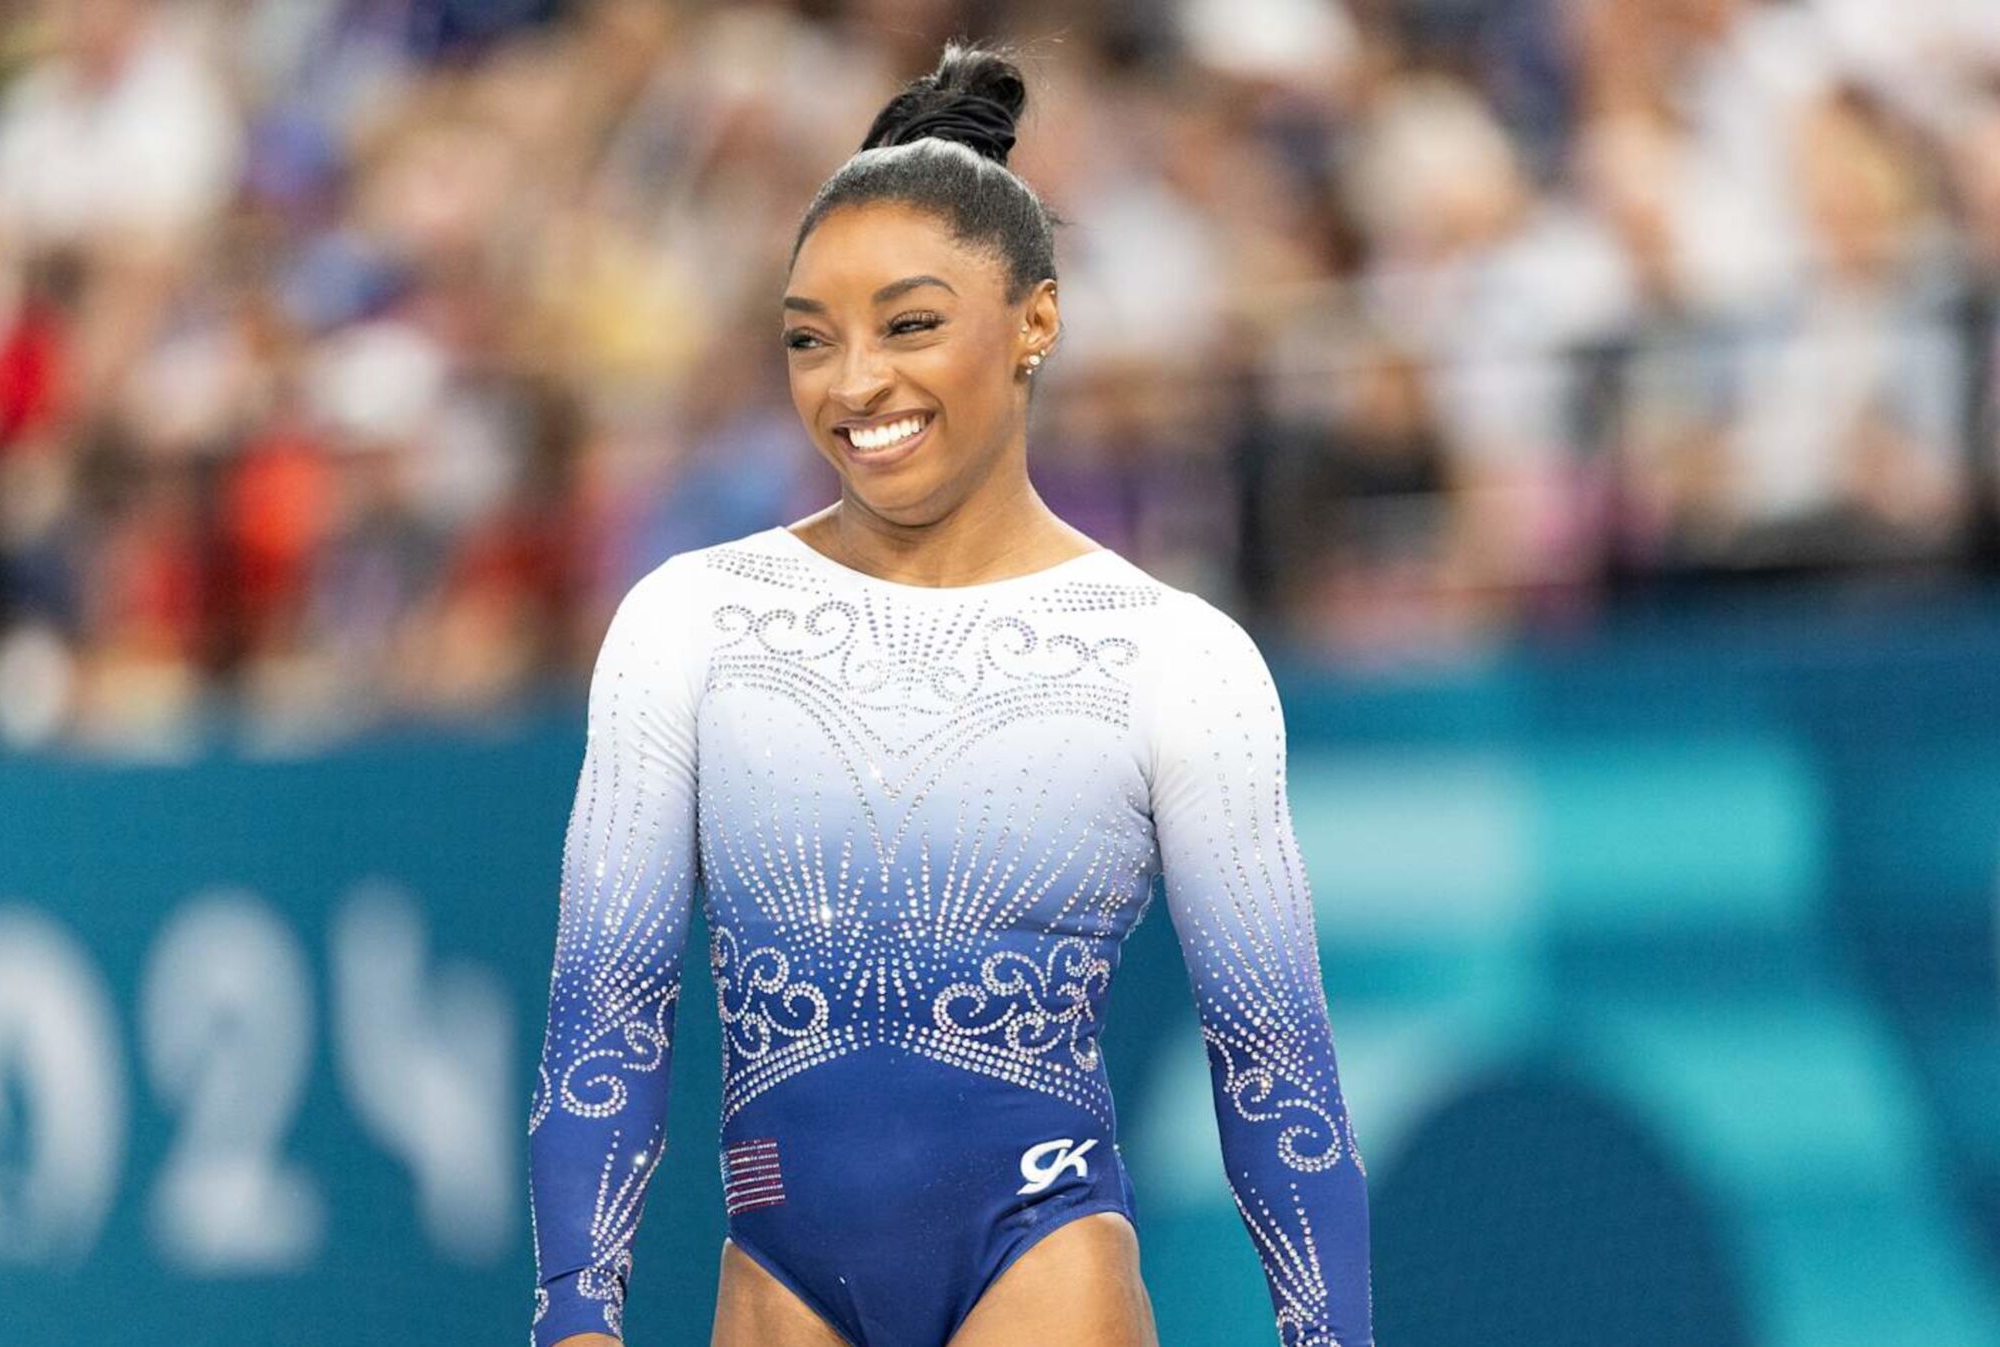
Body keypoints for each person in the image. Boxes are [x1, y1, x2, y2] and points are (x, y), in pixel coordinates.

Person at [527, 41, 1372, 1347]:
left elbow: (1273, 1065)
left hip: (1040, 1261)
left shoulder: (1168, 658)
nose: (856, 384)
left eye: (911, 325)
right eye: (813, 340)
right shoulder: (688, 622)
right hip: (778, 1281)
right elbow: (609, 1010)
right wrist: (574, 1317)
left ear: (1036, 318)